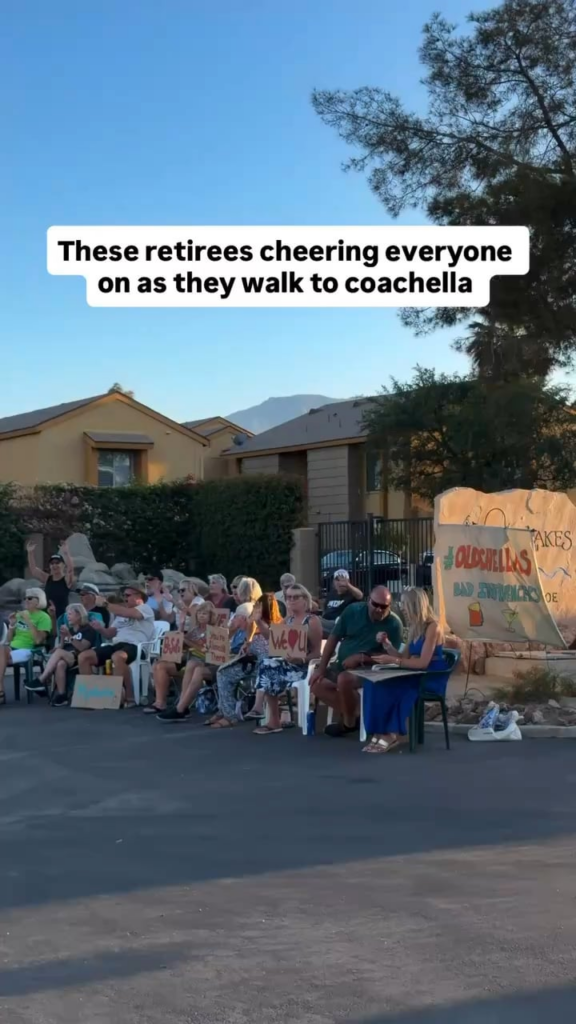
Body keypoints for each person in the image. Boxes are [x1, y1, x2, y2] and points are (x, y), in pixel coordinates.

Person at [361, 587, 446, 754]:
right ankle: (379, 731)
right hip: (412, 672)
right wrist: (388, 645)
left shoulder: (432, 627)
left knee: (391, 687)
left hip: (428, 676)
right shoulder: (415, 627)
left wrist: (394, 661)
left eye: (405, 605)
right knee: (372, 682)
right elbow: (403, 656)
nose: (402, 609)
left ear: (416, 605)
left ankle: (391, 734)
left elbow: (422, 663)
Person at [310, 586, 403, 738]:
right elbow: (333, 638)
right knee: (316, 682)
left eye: (384, 606)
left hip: (371, 669)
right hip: (341, 665)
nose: (379, 609)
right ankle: (358, 715)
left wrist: (362, 657)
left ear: (389, 606)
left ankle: (348, 723)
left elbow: (392, 657)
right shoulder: (353, 611)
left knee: (344, 680)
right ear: (368, 601)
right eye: (376, 604)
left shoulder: (393, 624)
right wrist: (321, 668)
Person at [251, 583, 322, 735]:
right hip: (287, 665)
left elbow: (317, 654)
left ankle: (266, 714)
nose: (291, 600)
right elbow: (272, 639)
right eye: (288, 597)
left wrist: (300, 659)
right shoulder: (287, 620)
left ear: (305, 600)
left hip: (303, 667)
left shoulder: (312, 621)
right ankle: (267, 715)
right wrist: (258, 621)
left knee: (268, 667)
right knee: (267, 664)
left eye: (295, 597)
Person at [209, 592, 282, 728]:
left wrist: (258, 622)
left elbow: (270, 644)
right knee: (223, 673)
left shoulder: (278, 626)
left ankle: (256, 707)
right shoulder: (252, 627)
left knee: (264, 662)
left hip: (267, 668)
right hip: (250, 665)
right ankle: (229, 715)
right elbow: (248, 635)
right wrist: (247, 643)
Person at [77, 582, 155, 707]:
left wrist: (105, 604)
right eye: (124, 595)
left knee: (118, 657)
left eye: (128, 595)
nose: (125, 597)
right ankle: (91, 697)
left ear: (139, 596)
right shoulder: (121, 615)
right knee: (84, 656)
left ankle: (129, 698)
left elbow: (131, 614)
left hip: (136, 646)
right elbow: (109, 634)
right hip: (117, 645)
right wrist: (100, 628)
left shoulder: (145, 608)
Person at [153, 601, 219, 721]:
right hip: (190, 661)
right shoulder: (195, 630)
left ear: (211, 616)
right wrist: (181, 626)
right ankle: (173, 705)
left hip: (207, 662)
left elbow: (205, 651)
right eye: (199, 613)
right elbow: (180, 643)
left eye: (205, 613)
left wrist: (187, 641)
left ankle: (181, 707)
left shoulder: (214, 631)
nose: (201, 616)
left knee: (192, 664)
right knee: (162, 664)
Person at [30, 603, 98, 705]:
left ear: (79, 615)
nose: (67, 617)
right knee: (60, 664)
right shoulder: (69, 630)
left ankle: (42, 679)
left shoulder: (88, 629)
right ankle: (62, 695)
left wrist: (69, 636)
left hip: (80, 657)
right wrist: (62, 638)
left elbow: (82, 647)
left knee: (59, 654)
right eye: (67, 614)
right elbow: (61, 647)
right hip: (66, 656)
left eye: (70, 614)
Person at [0, 588, 52, 705]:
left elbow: (38, 640)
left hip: (29, 650)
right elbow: (9, 640)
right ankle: (0, 691)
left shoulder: (44, 617)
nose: (26, 601)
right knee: (1, 649)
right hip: (11, 649)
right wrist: (12, 626)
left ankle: (1, 692)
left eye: (30, 598)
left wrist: (28, 621)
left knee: (1, 652)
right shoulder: (19, 615)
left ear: (39, 601)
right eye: (25, 598)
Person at [26, 540, 75, 621]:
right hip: (47, 615)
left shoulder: (65, 580)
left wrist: (66, 553)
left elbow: (70, 570)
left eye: (57, 563)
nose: (54, 565)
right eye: (52, 563)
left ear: (63, 565)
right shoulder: (48, 578)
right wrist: (30, 553)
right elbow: (34, 570)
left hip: (62, 616)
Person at [320, 569, 363, 636]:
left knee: (315, 622)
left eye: (343, 580)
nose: (340, 583)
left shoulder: (351, 594)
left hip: (339, 625)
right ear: (334, 582)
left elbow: (360, 595)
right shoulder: (331, 594)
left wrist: (347, 585)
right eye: (337, 580)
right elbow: (325, 610)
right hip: (327, 623)